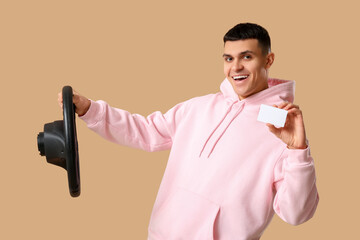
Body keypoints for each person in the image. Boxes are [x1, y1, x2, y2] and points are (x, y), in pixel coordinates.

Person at [58, 23, 319, 240]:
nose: (235, 67)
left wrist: (298, 152)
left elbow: (296, 213)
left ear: (268, 59)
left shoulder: (281, 127)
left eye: (246, 57)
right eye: (229, 58)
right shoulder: (201, 106)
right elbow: (146, 131)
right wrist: (89, 110)